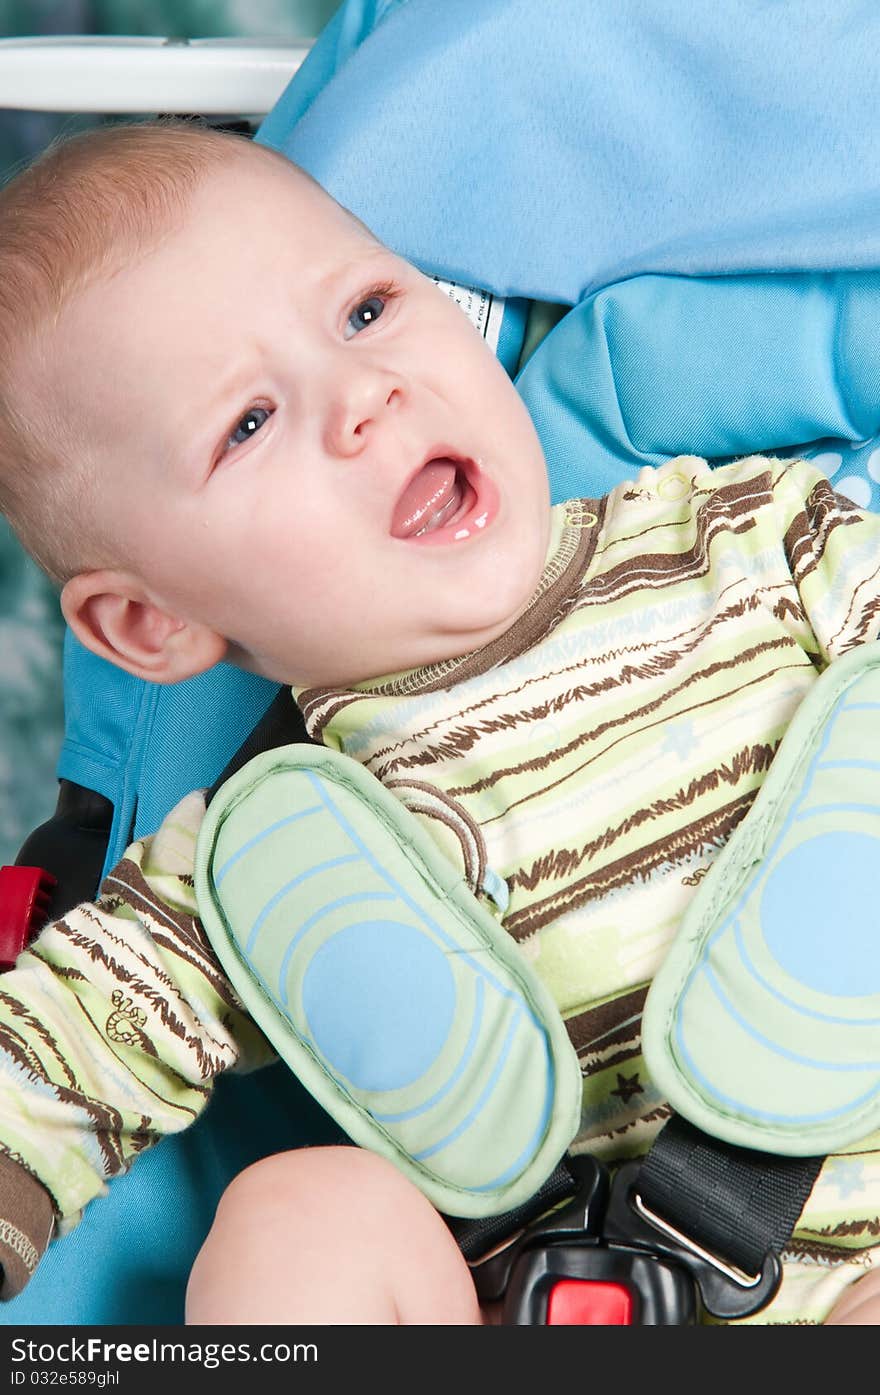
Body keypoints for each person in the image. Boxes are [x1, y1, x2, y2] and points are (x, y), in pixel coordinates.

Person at [0, 119, 876, 1326]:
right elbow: (67, 1043)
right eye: (247, 423)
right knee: (301, 1210)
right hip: (535, 1296)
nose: (363, 397)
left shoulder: (759, 545)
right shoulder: (271, 852)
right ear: (152, 626)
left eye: (364, 311)